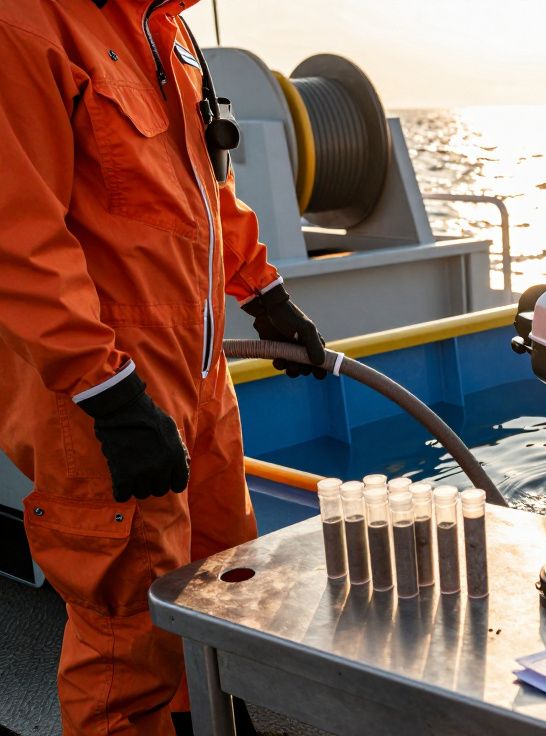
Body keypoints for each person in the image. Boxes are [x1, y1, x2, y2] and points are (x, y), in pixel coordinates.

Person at [0, 0, 327, 733]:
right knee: (127, 630)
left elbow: (201, 189)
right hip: (103, 395)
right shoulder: (24, 26)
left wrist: (264, 291)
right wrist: (108, 395)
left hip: (199, 381)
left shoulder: (168, 30)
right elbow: (16, 236)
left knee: (223, 583)